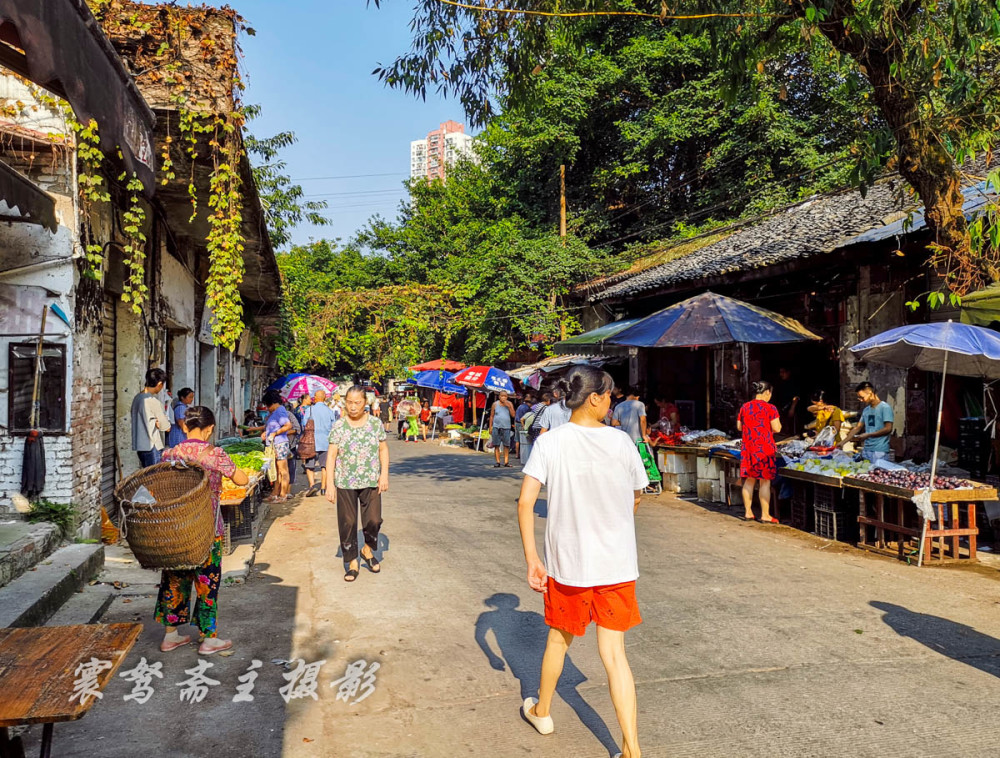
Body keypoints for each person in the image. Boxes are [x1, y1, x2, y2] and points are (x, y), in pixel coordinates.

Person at [517, 366, 648, 758]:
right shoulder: (622, 443)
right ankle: (632, 750)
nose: (611, 402)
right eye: (609, 395)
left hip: (569, 564)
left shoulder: (550, 443)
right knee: (615, 655)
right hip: (617, 565)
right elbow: (637, 496)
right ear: (595, 398)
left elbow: (525, 503)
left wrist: (532, 560)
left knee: (559, 639)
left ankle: (542, 711)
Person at [156, 405, 248, 655]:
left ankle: (170, 636)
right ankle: (209, 638)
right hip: (208, 529)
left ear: (184, 427)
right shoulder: (215, 454)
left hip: (177, 528)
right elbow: (242, 480)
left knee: (174, 579)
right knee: (207, 581)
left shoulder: (169, 454)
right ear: (209, 429)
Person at [326, 386, 390, 583]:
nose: (353, 407)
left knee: (373, 520)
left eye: (357, 403)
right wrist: (329, 483)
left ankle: (367, 550)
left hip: (371, 479)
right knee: (348, 523)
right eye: (349, 402)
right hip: (345, 481)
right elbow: (331, 455)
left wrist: (384, 474)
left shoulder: (375, 423)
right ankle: (352, 562)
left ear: (365, 403)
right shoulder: (339, 426)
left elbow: (383, 450)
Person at [737, 381, 782, 523]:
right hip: (764, 448)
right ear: (767, 392)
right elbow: (777, 428)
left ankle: (748, 513)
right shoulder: (771, 408)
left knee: (749, 480)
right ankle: (765, 515)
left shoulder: (745, 407)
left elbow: (739, 426)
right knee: (765, 482)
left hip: (748, 447)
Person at [841, 382, 894, 462]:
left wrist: (869, 434)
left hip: (879, 451)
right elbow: (857, 428)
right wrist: (842, 442)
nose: (861, 400)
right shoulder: (866, 410)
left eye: (862, 397)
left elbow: (888, 428)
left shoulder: (885, 407)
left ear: (870, 393)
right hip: (867, 449)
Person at [131, 367, 172, 468]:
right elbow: (166, 427)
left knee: (147, 479)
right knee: (155, 480)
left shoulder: (137, 398)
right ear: (159, 384)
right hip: (152, 446)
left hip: (140, 446)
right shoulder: (153, 401)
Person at [261, 389, 293, 502]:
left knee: (283, 470)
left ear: (273, 403)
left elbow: (288, 425)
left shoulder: (280, 411)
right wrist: (267, 432)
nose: (267, 408)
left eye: (268, 405)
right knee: (277, 470)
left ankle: (283, 494)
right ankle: (275, 493)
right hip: (274, 444)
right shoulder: (275, 412)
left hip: (280, 443)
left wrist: (275, 433)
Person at [304, 390, 336, 496]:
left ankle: (312, 485)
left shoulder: (310, 410)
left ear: (315, 398)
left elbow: (304, 424)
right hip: (326, 442)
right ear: (325, 398)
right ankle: (323, 488)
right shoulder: (329, 411)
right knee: (325, 466)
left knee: (310, 466)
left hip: (311, 442)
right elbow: (334, 427)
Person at [772, 367, 803, 436]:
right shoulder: (780, 383)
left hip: (791, 407)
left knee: (792, 425)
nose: (781, 374)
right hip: (782, 408)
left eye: (783, 372)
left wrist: (792, 408)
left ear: (788, 372)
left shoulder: (794, 383)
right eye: (780, 372)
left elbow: (796, 397)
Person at [490, 391, 516, 468]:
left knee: (506, 445)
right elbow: (492, 416)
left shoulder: (509, 404)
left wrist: (509, 406)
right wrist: (490, 427)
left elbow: (513, 415)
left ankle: (506, 461)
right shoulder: (495, 404)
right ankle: (498, 462)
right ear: (499, 396)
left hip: (506, 427)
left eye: (505, 396)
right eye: (502, 396)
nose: (503, 397)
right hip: (496, 427)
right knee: (496, 445)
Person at [515, 391, 536, 463]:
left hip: (516, 423)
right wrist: (523, 426)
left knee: (517, 440)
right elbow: (523, 418)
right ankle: (523, 455)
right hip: (522, 424)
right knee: (525, 441)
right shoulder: (527, 408)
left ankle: (517, 454)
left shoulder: (520, 406)